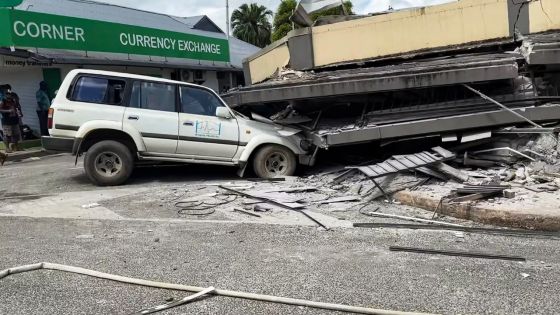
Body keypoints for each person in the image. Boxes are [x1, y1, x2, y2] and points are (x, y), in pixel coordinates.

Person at [0, 84, 22, 153]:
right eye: (7, 93)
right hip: (6, 120)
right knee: (7, 135)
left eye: (10, 93)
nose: (9, 95)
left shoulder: (13, 100)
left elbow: (17, 107)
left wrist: (19, 113)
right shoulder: (2, 101)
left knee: (16, 134)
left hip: (14, 119)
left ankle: (16, 147)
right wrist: (8, 111)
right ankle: (7, 148)